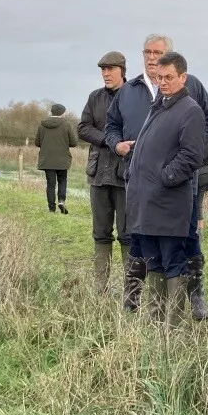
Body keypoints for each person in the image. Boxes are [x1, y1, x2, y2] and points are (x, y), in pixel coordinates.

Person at [105, 35, 208, 314]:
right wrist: (117, 144)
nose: (152, 57)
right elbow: (111, 125)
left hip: (178, 184)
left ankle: (194, 297)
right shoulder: (129, 89)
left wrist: (177, 161)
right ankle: (135, 300)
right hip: (141, 183)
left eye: (158, 52)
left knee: (184, 238)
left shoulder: (190, 86)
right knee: (141, 238)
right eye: (147, 51)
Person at [124, 52, 207, 330]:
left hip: (169, 202)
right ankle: (156, 319)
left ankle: (173, 325)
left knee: (173, 262)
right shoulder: (158, 106)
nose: (163, 82)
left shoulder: (190, 110)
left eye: (169, 77)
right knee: (153, 261)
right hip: (145, 201)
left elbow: (193, 155)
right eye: (159, 78)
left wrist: (165, 177)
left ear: (183, 77)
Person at [78, 52, 129, 292]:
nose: (106, 74)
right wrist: (110, 141)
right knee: (100, 233)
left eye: (110, 69)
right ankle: (101, 288)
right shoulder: (94, 97)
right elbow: (83, 128)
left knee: (128, 234)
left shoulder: (135, 97)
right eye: (102, 70)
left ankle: (132, 290)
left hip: (125, 176)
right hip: (98, 173)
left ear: (122, 70)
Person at [36, 103, 78, 214]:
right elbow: (74, 142)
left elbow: (37, 142)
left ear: (51, 111)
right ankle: (61, 201)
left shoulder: (42, 125)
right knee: (62, 180)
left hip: (47, 159)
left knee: (50, 184)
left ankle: (51, 207)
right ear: (63, 112)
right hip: (62, 159)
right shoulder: (66, 125)